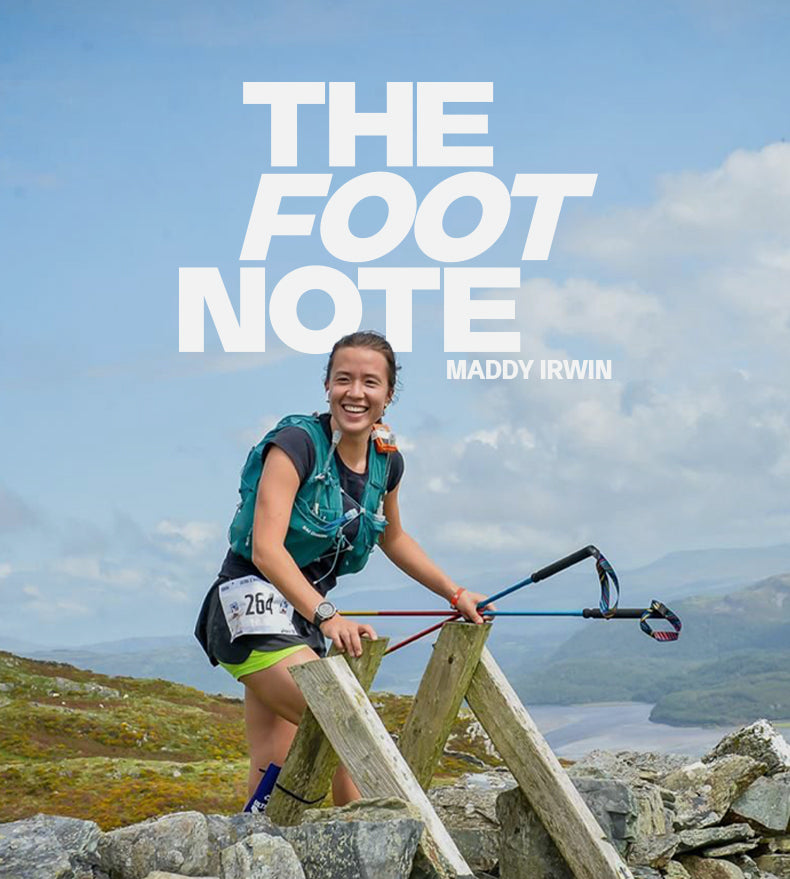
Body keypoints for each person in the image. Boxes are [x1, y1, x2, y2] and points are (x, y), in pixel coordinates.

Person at [195, 330, 491, 806]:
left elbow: (394, 538)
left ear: (389, 395)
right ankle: (372, 849)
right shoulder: (295, 445)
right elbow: (268, 550)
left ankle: (258, 850)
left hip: (301, 614)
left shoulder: (386, 463)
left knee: (275, 767)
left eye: (370, 382)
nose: (355, 393)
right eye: (343, 379)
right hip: (248, 606)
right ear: (327, 386)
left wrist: (455, 594)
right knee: (344, 725)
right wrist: (329, 617)